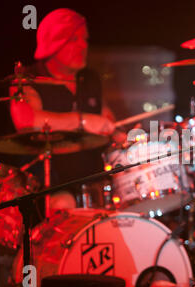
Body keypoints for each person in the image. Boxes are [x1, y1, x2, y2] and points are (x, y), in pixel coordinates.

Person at [10, 8, 117, 212]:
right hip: (48, 182)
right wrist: (83, 121)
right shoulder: (27, 78)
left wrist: (126, 139)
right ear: (53, 42)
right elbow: (27, 120)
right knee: (63, 205)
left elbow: (107, 119)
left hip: (92, 178)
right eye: (74, 39)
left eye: (85, 39)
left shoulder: (90, 79)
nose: (83, 46)